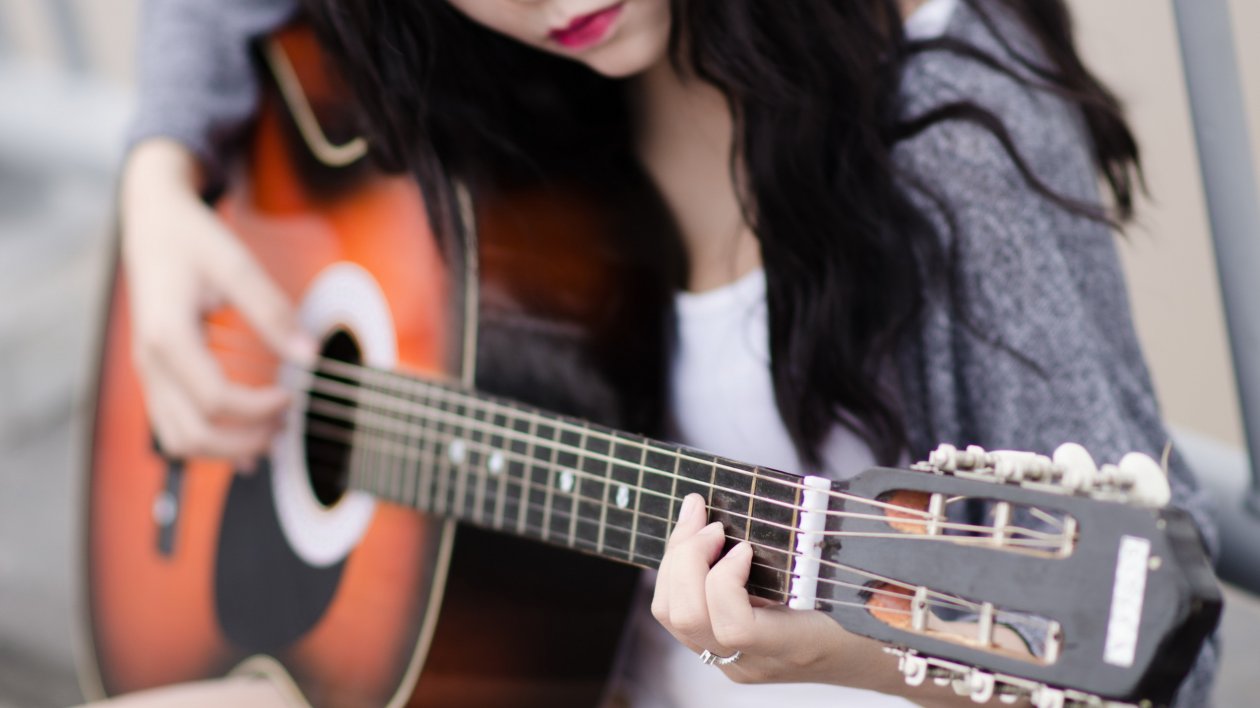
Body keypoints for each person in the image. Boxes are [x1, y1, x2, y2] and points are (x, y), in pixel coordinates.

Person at [110, 0, 1217, 706]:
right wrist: (158, 180)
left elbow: (1161, 662)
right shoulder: (527, 89)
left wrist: (842, 650)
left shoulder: (951, 124)